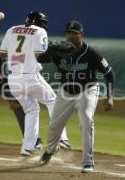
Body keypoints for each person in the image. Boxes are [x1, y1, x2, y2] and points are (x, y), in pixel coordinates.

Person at [38, 20, 115, 173]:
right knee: (54, 125)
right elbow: (39, 59)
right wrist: (49, 49)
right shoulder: (59, 51)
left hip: (87, 90)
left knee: (86, 120)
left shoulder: (91, 53)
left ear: (82, 35)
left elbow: (109, 73)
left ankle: (88, 162)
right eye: (69, 33)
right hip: (65, 92)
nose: (72, 36)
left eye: (75, 33)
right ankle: (50, 150)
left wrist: (110, 96)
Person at [0, 11, 72, 156]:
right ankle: (61, 138)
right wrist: (53, 49)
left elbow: (2, 54)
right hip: (30, 77)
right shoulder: (40, 31)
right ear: (41, 23)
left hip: (13, 79)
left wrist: (18, 53)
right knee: (54, 101)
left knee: (31, 110)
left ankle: (28, 147)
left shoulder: (11, 29)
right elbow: (40, 55)